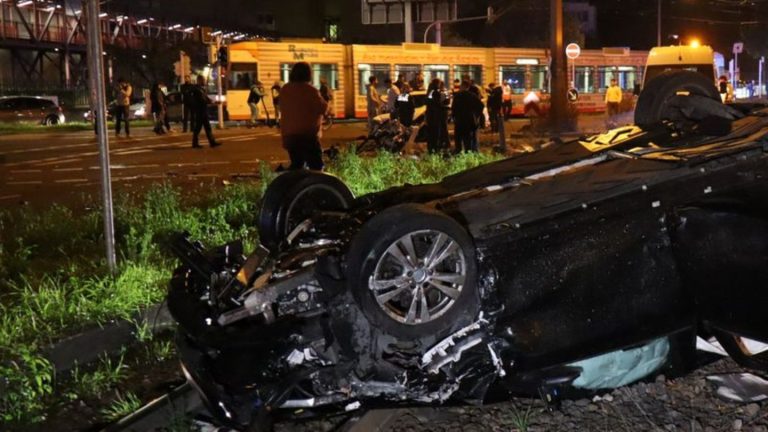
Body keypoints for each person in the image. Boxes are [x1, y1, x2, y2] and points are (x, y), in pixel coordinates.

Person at [279, 62, 328, 170]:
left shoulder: (285, 89)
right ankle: (316, 185)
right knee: (316, 166)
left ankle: (293, 184)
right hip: (307, 136)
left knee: (297, 164)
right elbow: (323, 108)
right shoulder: (311, 90)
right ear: (308, 74)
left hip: (289, 136)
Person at [451, 80, 485, 153]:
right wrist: (476, 115)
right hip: (469, 120)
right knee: (467, 138)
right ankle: (468, 152)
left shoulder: (457, 96)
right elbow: (481, 106)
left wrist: (454, 116)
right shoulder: (472, 96)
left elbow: (453, 108)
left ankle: (459, 151)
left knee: (458, 137)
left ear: (463, 86)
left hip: (459, 120)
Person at [190, 75, 221, 148]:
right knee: (198, 128)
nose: (204, 81)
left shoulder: (201, 89)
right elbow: (202, 100)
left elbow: (206, 98)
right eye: (203, 80)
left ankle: (212, 142)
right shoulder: (197, 89)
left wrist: (214, 102)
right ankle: (195, 143)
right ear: (199, 81)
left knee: (207, 127)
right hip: (200, 111)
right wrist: (212, 102)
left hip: (203, 111)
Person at [425, 78, 450, 154]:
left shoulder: (429, 92)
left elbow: (428, 103)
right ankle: (435, 149)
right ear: (437, 84)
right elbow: (437, 104)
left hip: (430, 116)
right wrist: (445, 107)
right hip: (436, 116)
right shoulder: (436, 93)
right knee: (436, 133)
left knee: (430, 134)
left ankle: (430, 148)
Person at [487, 83, 506, 153]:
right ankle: (496, 129)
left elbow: (492, 100)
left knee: (493, 119)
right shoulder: (497, 91)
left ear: (492, 86)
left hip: (493, 107)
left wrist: (490, 93)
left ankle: (494, 129)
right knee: (496, 119)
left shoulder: (495, 92)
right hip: (497, 107)